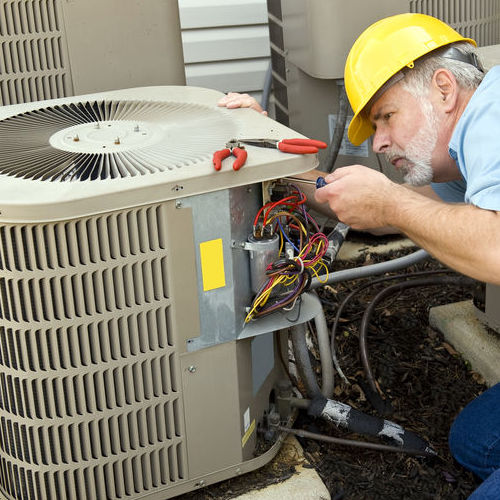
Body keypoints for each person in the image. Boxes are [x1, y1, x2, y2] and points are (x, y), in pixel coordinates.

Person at [218, 13, 500, 499]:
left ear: (443, 88)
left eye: (387, 116)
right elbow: (406, 212)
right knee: (474, 444)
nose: (378, 142)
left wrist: (391, 201)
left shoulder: (493, 116)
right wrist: (275, 152)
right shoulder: (460, 150)